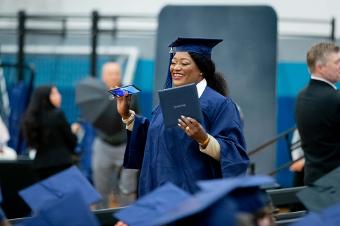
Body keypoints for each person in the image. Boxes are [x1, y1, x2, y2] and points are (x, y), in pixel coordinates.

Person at [116, 37, 249, 197]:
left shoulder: (219, 105)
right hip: (157, 193)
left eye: (184, 63)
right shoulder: (168, 101)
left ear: (202, 70)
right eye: (173, 62)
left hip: (192, 198)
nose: (176, 68)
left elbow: (235, 155)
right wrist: (127, 116)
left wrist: (204, 139)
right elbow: (157, 141)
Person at [92, 62, 138, 208]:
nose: (113, 76)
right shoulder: (97, 94)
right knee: (100, 189)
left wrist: (120, 99)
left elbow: (135, 116)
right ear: (103, 76)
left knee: (127, 188)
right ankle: (101, 219)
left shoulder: (128, 92)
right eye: (110, 73)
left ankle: (129, 219)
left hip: (126, 144)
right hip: (103, 144)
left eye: (116, 73)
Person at [295, 42, 340, 185]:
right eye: (337, 62)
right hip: (336, 187)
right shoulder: (335, 98)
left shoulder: (301, 97)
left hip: (312, 181)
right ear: (320, 68)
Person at [22, 85, 78, 180]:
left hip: (40, 165)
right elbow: (71, 141)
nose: (59, 96)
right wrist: (73, 131)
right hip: (61, 164)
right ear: (45, 98)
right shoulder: (57, 114)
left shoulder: (32, 118)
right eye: (54, 94)